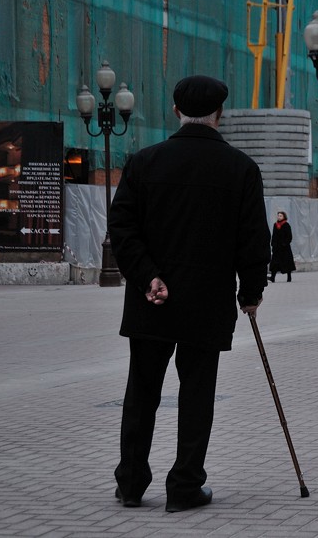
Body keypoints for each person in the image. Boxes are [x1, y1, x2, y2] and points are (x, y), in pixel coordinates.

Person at [108, 75, 270, 513]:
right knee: (197, 395)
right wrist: (250, 293)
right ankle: (184, 486)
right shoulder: (241, 169)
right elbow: (254, 241)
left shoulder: (144, 163)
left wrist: (148, 277)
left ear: (175, 112)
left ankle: (131, 483)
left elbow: (122, 228)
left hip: (151, 301)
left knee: (141, 393)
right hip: (207, 301)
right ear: (220, 115)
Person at [268, 211, 295, 283]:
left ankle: (289, 277)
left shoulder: (286, 225)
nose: (279, 217)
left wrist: (284, 244)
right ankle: (272, 277)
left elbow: (289, 236)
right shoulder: (275, 225)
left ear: (284, 217)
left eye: (280, 216)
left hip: (285, 248)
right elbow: (274, 235)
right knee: (274, 263)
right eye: (278, 216)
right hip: (277, 248)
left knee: (287, 262)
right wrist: (272, 244)